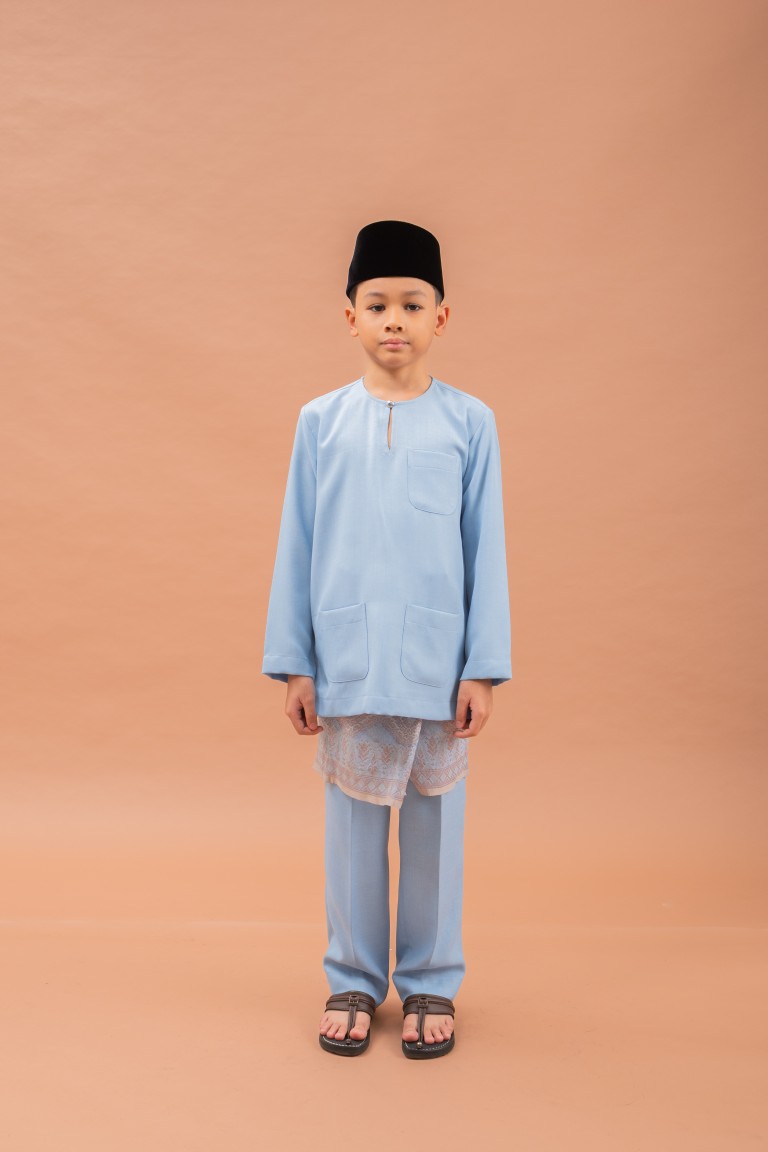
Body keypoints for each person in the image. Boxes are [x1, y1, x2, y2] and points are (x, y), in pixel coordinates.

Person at [262, 219, 512, 1058]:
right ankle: (354, 978)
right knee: (352, 831)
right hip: (348, 659)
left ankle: (433, 980)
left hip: (439, 666)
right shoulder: (321, 422)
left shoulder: (470, 423)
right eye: (377, 305)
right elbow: (297, 543)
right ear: (351, 318)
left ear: (443, 316)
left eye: (412, 303)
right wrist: (295, 663)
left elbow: (486, 548)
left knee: (436, 828)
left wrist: (483, 669)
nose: (394, 320)